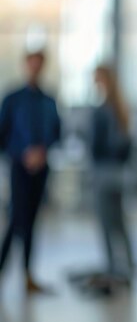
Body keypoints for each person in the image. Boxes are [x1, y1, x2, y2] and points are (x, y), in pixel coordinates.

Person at [0, 49, 61, 294]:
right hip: (19, 166)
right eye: (32, 63)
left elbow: (57, 132)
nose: (36, 68)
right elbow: (2, 135)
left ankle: (27, 275)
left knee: (32, 220)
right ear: (26, 65)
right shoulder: (13, 98)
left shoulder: (49, 101)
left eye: (39, 64)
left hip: (41, 168)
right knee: (17, 218)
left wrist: (42, 151)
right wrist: (23, 153)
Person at [90, 65, 135, 279]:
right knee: (120, 222)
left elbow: (96, 146)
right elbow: (127, 146)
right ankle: (130, 264)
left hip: (103, 173)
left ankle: (112, 267)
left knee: (106, 223)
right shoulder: (121, 108)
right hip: (119, 173)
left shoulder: (102, 111)